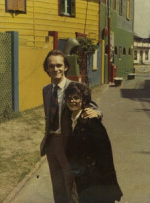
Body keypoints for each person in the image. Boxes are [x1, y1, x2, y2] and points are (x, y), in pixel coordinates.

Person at [40, 50, 101, 202]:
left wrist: (97, 113)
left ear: (66, 67)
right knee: (57, 185)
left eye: (59, 65)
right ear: (47, 69)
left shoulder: (76, 87)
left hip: (69, 145)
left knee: (72, 185)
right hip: (51, 144)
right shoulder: (46, 90)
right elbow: (49, 117)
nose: (56, 69)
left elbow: (94, 108)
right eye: (51, 66)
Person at [65, 82, 123, 202]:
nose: (72, 101)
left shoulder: (91, 122)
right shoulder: (73, 119)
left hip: (95, 182)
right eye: (69, 98)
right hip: (84, 179)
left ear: (84, 100)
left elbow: (104, 157)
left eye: (76, 97)